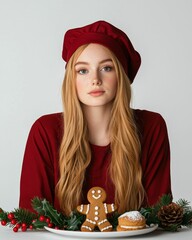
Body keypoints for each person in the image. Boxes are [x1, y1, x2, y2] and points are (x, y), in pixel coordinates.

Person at [19, 20, 172, 216]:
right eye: (83, 70)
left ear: (122, 76)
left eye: (107, 68)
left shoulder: (151, 127)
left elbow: (159, 216)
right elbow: (31, 219)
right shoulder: (45, 131)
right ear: (71, 80)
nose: (95, 79)